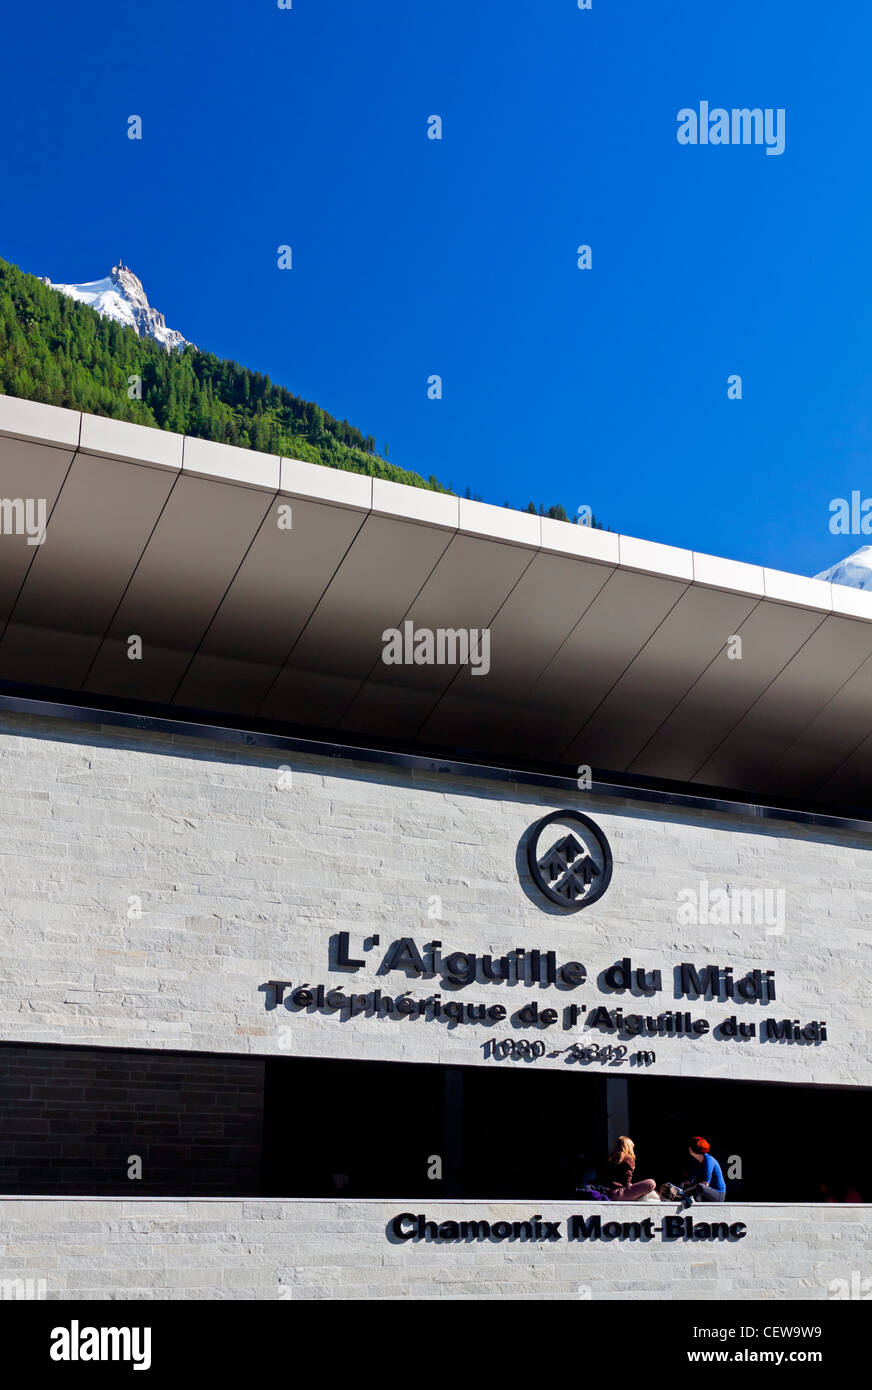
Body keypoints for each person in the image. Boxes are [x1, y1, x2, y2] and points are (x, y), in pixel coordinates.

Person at [603, 1136, 657, 1201]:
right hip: (619, 1194)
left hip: (609, 1192)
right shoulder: (628, 1159)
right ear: (629, 1147)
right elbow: (627, 1178)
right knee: (651, 1183)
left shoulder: (611, 1158)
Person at [684, 1135, 726, 1202]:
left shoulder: (708, 1160)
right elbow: (691, 1179)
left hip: (718, 1194)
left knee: (700, 1187)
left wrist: (688, 1189)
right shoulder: (696, 1160)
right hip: (705, 1193)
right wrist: (683, 1185)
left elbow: (705, 1184)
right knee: (690, 1188)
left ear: (692, 1149)